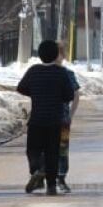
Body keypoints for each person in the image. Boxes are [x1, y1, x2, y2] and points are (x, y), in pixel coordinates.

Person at [17, 40, 75, 196]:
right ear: (56, 54)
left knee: (33, 150)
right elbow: (69, 95)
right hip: (55, 120)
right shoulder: (61, 73)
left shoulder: (34, 71)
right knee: (52, 152)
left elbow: (20, 87)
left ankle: (37, 169)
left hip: (36, 120)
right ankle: (51, 185)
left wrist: (35, 93)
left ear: (40, 55)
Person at [55, 42, 80, 193]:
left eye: (58, 53)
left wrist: (71, 115)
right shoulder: (41, 73)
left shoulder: (68, 74)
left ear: (63, 55)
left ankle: (61, 178)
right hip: (45, 119)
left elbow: (76, 96)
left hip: (63, 119)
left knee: (62, 149)